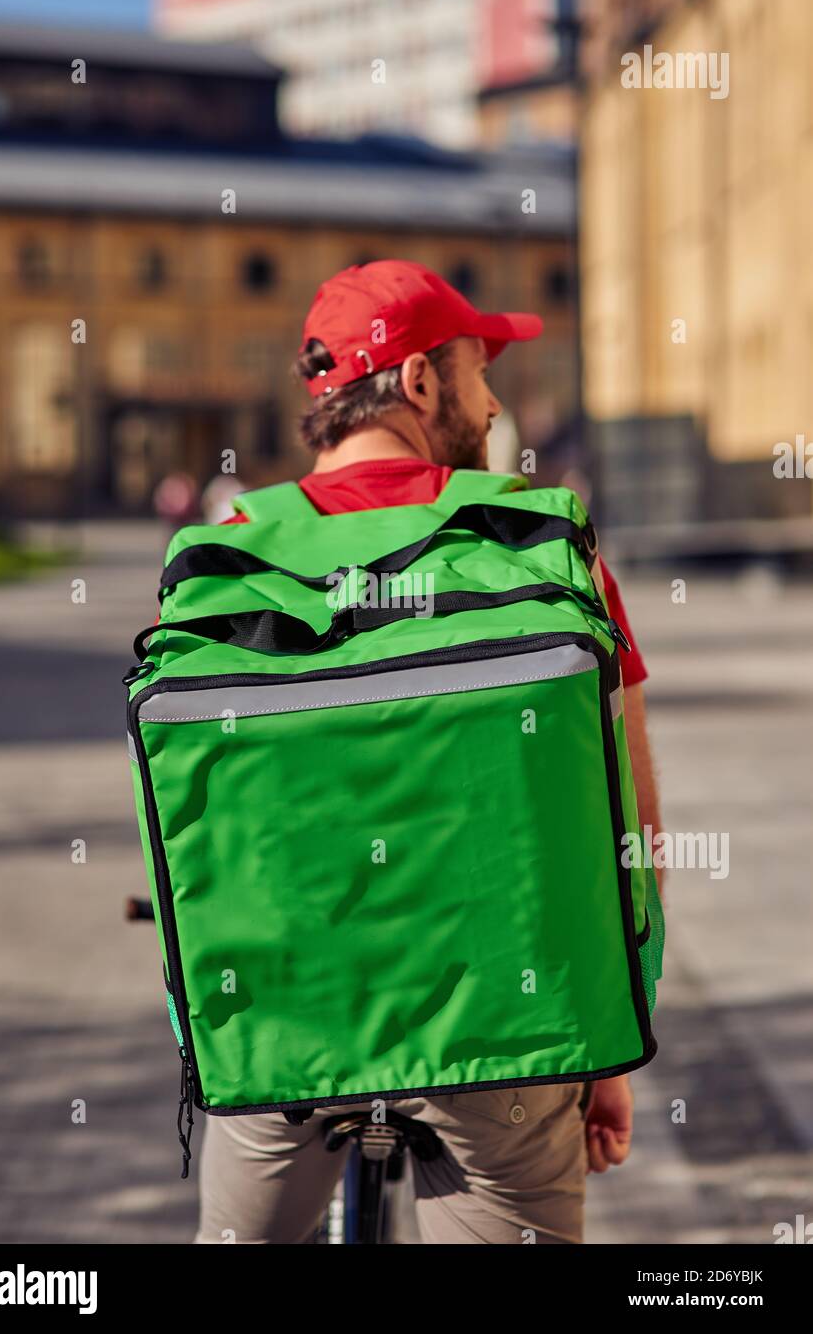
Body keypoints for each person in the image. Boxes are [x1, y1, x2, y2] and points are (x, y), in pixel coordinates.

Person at [195, 260, 663, 1245]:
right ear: (418, 384)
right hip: (503, 1033)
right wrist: (606, 1049)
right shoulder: (538, 545)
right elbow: (624, 818)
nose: (494, 402)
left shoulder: (223, 562)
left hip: (282, 1028)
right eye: (479, 370)